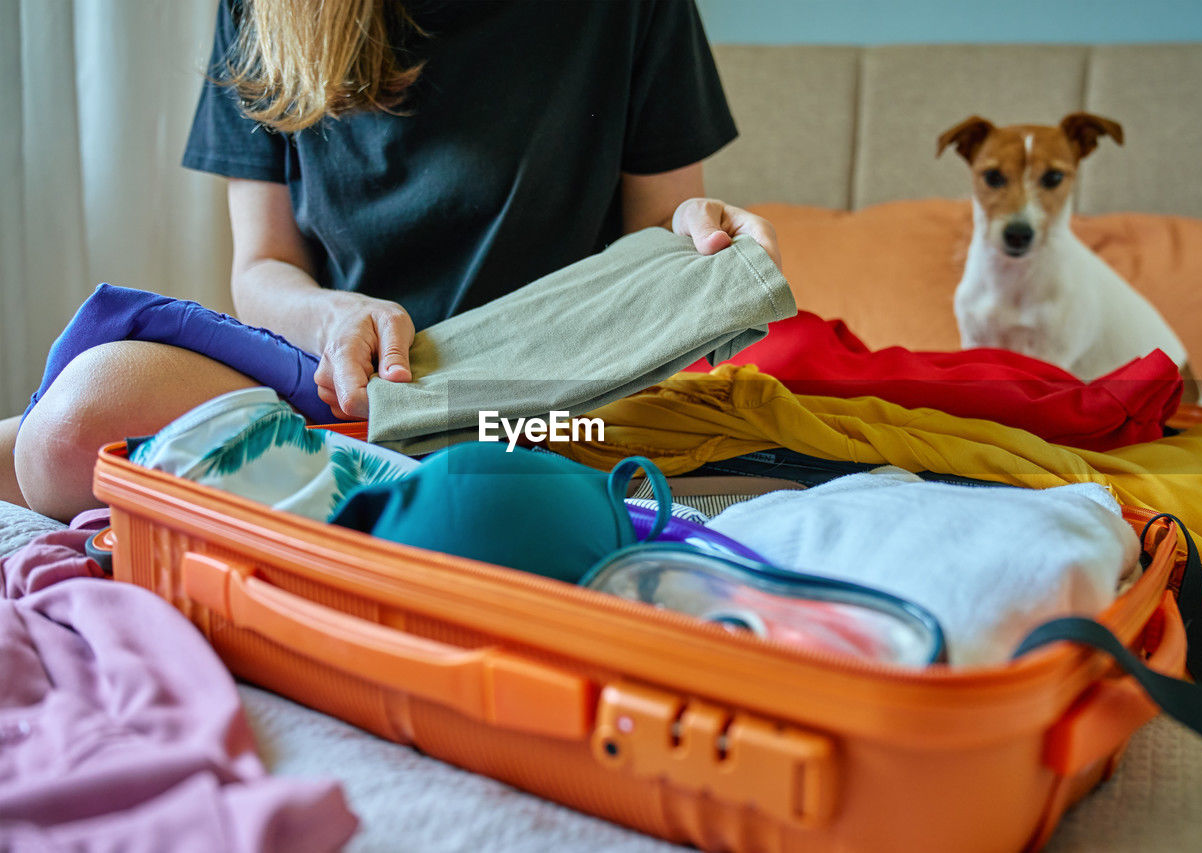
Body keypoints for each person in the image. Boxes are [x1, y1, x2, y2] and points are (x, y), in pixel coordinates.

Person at [1, 0, 780, 521]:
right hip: (341, 381)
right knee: (59, 431)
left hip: (541, 397)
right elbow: (262, 268)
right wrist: (334, 315)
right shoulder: (266, 9)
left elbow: (655, 238)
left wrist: (694, 241)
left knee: (66, 434)